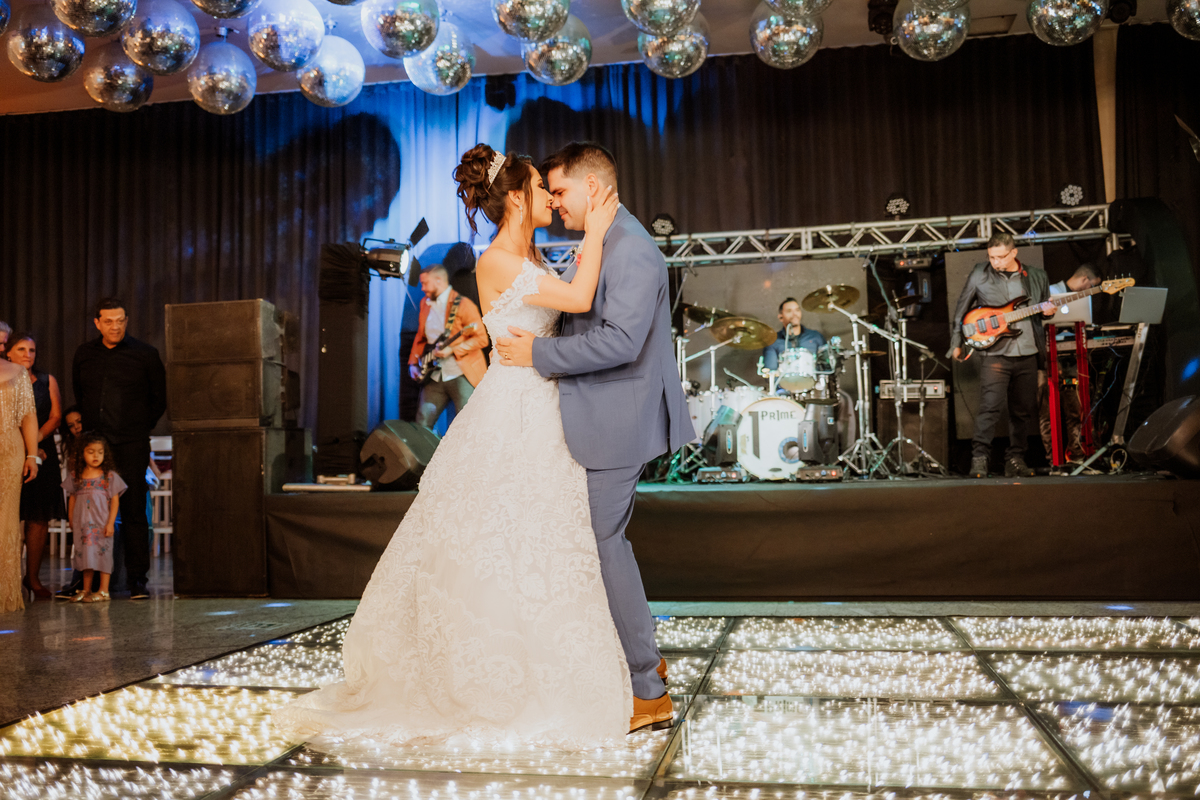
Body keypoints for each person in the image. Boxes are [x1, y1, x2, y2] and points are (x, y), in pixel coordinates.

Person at [276, 144, 632, 748]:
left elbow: (540, 315)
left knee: (538, 537)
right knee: (500, 540)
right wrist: (598, 230)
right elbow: (577, 300)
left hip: (537, 402)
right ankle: (491, 677)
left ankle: (543, 664)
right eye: (539, 188)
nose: (550, 198)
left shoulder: (529, 255)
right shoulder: (497, 260)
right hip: (517, 407)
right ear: (515, 196)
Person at [496, 142, 694, 734]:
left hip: (616, 417)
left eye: (559, 191)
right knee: (594, 543)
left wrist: (537, 354)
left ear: (591, 186)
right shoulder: (606, 238)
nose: (555, 203)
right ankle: (637, 665)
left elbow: (620, 342)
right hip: (597, 413)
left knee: (605, 545)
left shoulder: (630, 247)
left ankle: (647, 689)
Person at [66, 298, 166, 601]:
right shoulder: (85, 354)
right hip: (96, 445)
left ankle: (137, 580)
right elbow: (80, 394)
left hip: (131, 442)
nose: (115, 326)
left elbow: (159, 399)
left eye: (120, 320)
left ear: (126, 321)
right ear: (97, 323)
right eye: (108, 321)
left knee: (134, 510)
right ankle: (86, 581)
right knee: (89, 512)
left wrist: (137, 427)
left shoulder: (145, 354)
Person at [949, 233, 1054, 478]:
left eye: (1000, 257)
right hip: (995, 353)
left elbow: (1043, 309)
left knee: (1022, 411)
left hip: (1028, 352)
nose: (995, 262)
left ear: (1014, 253)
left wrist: (1049, 312)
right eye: (991, 257)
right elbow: (961, 309)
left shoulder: (1037, 276)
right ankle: (979, 459)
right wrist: (956, 342)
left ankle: (1016, 459)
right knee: (989, 408)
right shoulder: (980, 273)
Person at [5, 333, 66, 600]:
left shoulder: (46, 380)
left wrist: (34, 442)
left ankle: (33, 578)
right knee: (9, 516)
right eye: (21, 349)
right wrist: (23, 446)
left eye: (32, 350)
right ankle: (8, 579)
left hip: (42, 451)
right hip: (9, 451)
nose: (28, 354)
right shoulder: (4, 379)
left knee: (38, 517)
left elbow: (56, 416)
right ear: (8, 353)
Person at [407, 265, 490, 428]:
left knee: (467, 425)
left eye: (425, 283)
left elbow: (482, 339)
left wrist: (453, 349)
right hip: (434, 374)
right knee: (422, 423)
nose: (422, 288)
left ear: (438, 280)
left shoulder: (464, 305)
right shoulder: (425, 303)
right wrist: (413, 363)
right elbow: (420, 336)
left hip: (461, 374)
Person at [1039, 264, 1103, 461]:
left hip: (1073, 359)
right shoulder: (1050, 291)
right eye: (1092, 285)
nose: (1091, 290)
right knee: (1047, 412)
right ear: (1085, 279)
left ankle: (1077, 455)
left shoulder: (1084, 300)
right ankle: (1053, 459)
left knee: (1076, 408)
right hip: (1048, 359)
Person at [62, 433, 126, 604]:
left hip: (102, 524)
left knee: (104, 555)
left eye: (100, 452)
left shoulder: (109, 476)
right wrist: (71, 519)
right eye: (91, 452)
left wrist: (111, 523)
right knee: (85, 556)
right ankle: (86, 589)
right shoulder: (77, 476)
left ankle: (104, 590)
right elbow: (72, 498)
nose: (96, 456)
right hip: (82, 524)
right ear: (82, 453)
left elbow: (115, 500)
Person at [0, 357, 39, 612]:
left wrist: (32, 455)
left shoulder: (18, 372)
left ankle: (5, 592)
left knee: (7, 519)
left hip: (10, 450)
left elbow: (28, 415)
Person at [762, 297, 826, 370]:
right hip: (783, 377)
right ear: (780, 317)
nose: (794, 314)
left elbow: (826, 367)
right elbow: (771, 372)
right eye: (789, 311)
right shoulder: (773, 341)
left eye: (797, 310)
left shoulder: (815, 336)